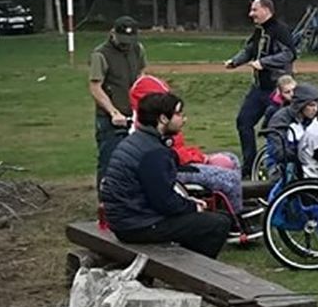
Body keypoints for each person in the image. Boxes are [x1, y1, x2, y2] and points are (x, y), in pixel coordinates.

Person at [100, 91, 230, 257]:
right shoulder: (154, 152)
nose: (184, 119)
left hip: (125, 220)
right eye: (178, 114)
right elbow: (164, 202)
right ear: (163, 119)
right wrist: (192, 206)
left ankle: (184, 260)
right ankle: (190, 269)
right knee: (218, 223)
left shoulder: (136, 141)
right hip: (136, 226)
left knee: (204, 218)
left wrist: (188, 203)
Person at [128, 74, 244, 218]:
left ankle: (228, 204)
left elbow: (177, 148)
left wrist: (200, 156)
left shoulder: (158, 123)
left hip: (178, 163)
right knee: (229, 178)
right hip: (173, 170)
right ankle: (236, 218)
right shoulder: (150, 127)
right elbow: (170, 157)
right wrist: (202, 159)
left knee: (231, 159)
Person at [226, 0, 297, 175]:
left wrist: (264, 63)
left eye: (254, 10)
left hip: (277, 90)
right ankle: (249, 166)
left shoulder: (280, 30)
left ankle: (276, 166)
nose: (251, 14)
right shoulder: (259, 30)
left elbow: (289, 54)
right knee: (244, 121)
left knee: (274, 128)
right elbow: (250, 49)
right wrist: (235, 61)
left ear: (266, 10)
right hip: (259, 88)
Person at [88, 16, 147, 186]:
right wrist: (113, 112)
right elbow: (95, 87)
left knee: (137, 160)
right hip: (110, 117)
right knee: (109, 161)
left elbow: (141, 76)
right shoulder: (100, 54)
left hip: (133, 114)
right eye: (122, 40)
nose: (126, 44)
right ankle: (105, 197)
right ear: (112, 33)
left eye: (129, 40)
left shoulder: (137, 49)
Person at [266, 82, 318, 172]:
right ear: (301, 105)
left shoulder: (312, 119)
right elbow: (279, 152)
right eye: (311, 105)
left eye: (317, 105)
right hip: (281, 165)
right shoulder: (280, 119)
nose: (315, 109)